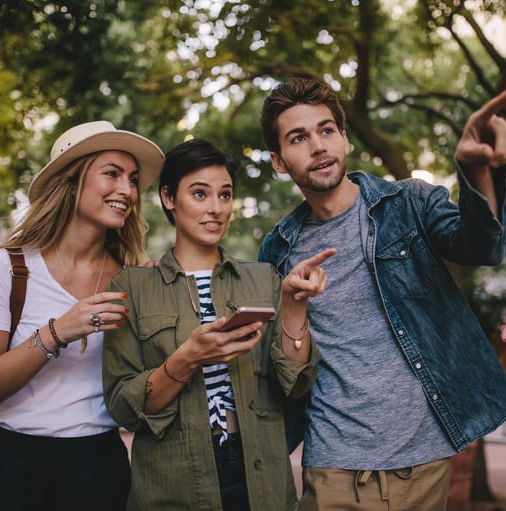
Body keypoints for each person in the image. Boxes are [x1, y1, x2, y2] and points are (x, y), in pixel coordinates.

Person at [257, 77, 506, 511]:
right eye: (298, 138)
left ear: (345, 139)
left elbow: (484, 248)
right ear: (278, 160)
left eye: (326, 130)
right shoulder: (279, 249)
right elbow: (288, 374)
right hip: (333, 464)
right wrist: (293, 305)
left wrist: (475, 171)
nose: (318, 146)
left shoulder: (409, 203)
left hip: (424, 463)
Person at [102, 139, 335, 511]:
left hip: (262, 478)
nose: (216, 208)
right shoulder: (133, 287)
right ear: (168, 198)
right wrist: (187, 359)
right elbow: (123, 406)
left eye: (225, 195)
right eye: (200, 194)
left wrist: (294, 306)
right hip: (173, 482)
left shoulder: (263, 279)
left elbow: (295, 384)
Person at [0, 120, 165, 511]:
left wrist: (159, 304)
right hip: (11, 468)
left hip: (100, 469)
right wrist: (56, 332)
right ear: (71, 183)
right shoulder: (7, 268)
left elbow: (144, 387)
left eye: (133, 179)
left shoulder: (134, 278)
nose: (127, 190)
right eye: (112, 174)